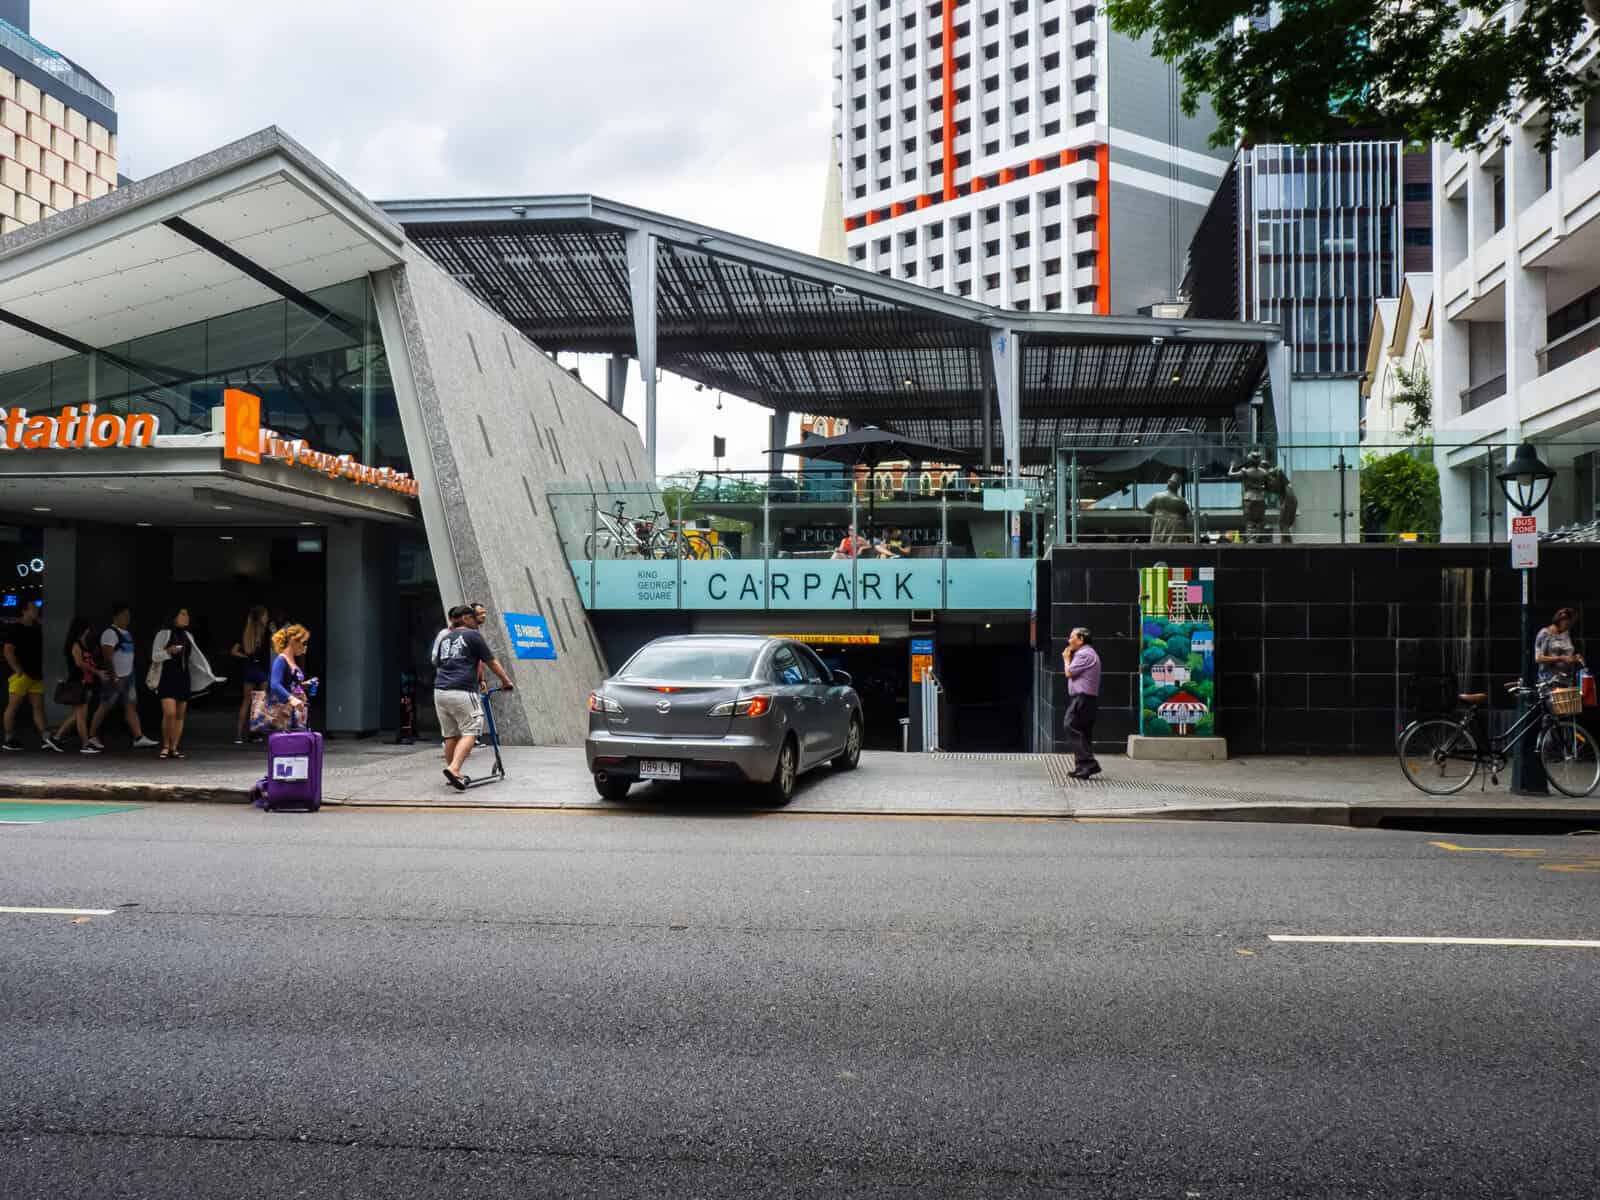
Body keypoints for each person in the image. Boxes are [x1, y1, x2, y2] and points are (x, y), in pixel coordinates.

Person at [433, 604, 514, 791]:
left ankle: (452, 774)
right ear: (466, 619)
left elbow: (438, 662)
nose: (476, 620)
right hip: (462, 690)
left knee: (451, 735)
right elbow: (491, 661)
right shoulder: (473, 635)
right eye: (473, 617)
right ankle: (454, 769)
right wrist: (506, 681)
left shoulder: (445, 637)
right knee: (472, 730)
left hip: (440, 691)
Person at [150, 607, 226, 760]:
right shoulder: (163, 633)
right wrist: (168, 651)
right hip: (166, 677)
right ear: (174, 617)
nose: (186, 617)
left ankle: (174, 747)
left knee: (180, 714)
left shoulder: (188, 636)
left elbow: (195, 659)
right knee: (169, 713)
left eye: (187, 614)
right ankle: (165, 745)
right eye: (182, 614)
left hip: (183, 677)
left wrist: (208, 674)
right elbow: (154, 656)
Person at [88, 605, 158, 751]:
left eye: (129, 615)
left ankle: (138, 737)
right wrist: (114, 675)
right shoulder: (110, 633)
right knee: (105, 706)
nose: (128, 618)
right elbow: (108, 657)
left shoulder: (126, 633)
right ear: (116, 616)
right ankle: (91, 737)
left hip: (128, 676)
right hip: (116, 677)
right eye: (125, 615)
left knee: (131, 706)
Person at [2, 599, 56, 752]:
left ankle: (46, 737)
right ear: (24, 611)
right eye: (32, 608)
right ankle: (9, 738)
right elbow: (8, 651)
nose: (36, 610)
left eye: (36, 608)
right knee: (13, 706)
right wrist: (18, 670)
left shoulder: (37, 628)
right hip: (21, 675)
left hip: (35, 675)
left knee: (38, 707)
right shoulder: (15, 629)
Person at [51, 617, 102, 754]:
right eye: (88, 628)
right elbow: (79, 663)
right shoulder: (76, 645)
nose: (90, 631)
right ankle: (85, 744)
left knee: (77, 714)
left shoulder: (82, 644)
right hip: (79, 682)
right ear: (84, 629)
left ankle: (56, 737)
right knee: (81, 716)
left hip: (85, 682)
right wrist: (97, 671)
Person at [1061, 625, 1102, 780]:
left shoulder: (1084, 654)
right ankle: (1082, 767)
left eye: (1072, 637)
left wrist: (1066, 659)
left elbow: (1069, 672)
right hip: (1086, 699)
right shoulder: (1087, 653)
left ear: (1081, 639)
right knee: (1083, 732)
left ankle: (1089, 763)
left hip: (1082, 698)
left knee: (1069, 725)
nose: (1069, 640)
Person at [230, 606, 272, 745]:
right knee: (259, 701)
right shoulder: (266, 633)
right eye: (265, 615)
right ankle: (256, 734)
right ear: (261, 617)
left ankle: (238, 735)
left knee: (246, 702)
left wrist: (246, 657)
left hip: (249, 669)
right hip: (262, 669)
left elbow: (233, 651)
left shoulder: (245, 632)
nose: (267, 618)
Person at [262, 624, 316, 733]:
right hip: (284, 714)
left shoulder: (292, 661)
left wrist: (306, 684)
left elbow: (292, 685)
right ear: (293, 641)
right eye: (304, 643)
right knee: (287, 746)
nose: (306, 646)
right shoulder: (281, 660)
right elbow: (275, 684)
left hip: (295, 714)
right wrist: (292, 699)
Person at [1534, 607, 1584, 688]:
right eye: (1568, 623)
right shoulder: (1544, 634)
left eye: (1572, 624)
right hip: (1549, 681)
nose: (1570, 626)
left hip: (1566, 680)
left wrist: (1575, 657)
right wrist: (1561, 658)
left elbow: (1567, 651)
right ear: (1561, 620)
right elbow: (1538, 658)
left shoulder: (1566, 633)